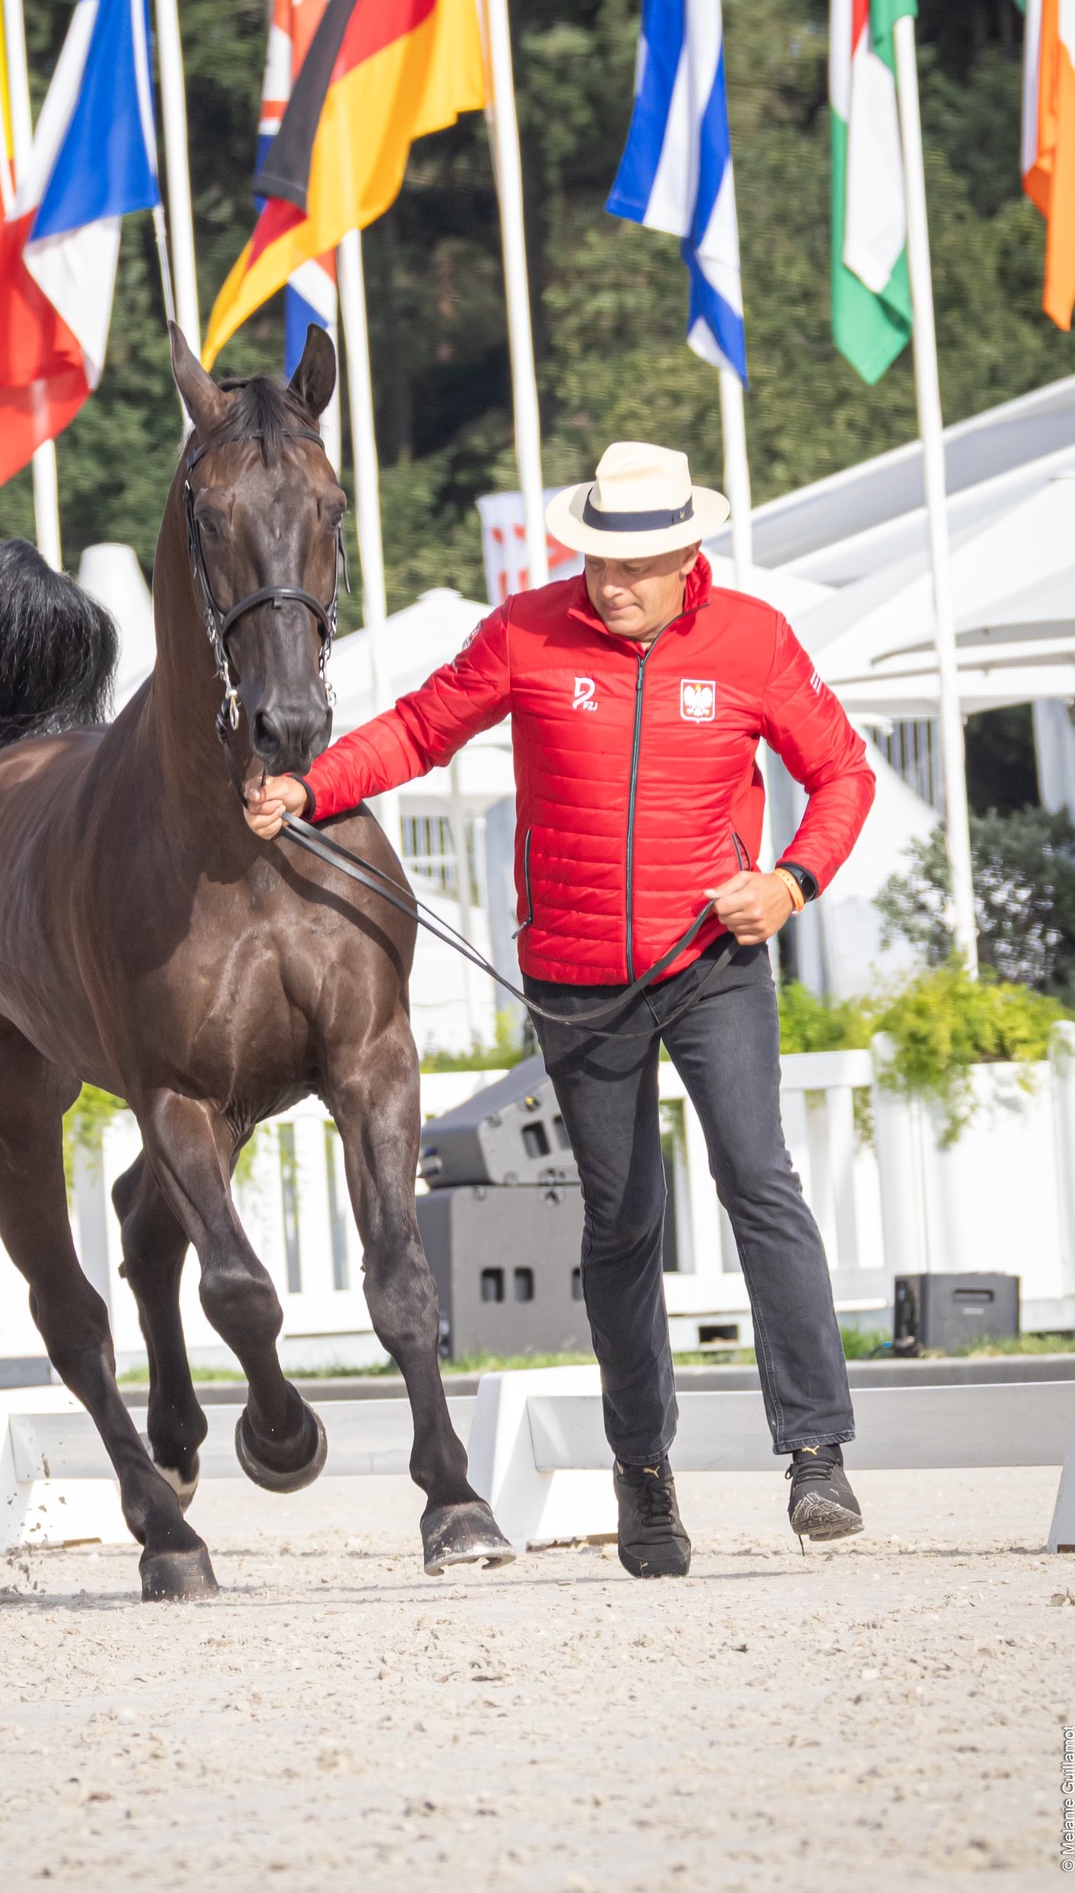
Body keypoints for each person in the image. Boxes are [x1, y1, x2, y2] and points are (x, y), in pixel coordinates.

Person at [244, 440, 876, 1576]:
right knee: (621, 1221)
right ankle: (644, 1473)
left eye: (632, 565)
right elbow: (420, 729)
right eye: (596, 559)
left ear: (687, 558)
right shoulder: (527, 632)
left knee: (758, 1179)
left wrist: (789, 882)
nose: (609, 581)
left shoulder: (754, 642)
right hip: (577, 980)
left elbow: (844, 774)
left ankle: (816, 1452)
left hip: (712, 961)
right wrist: (310, 786)